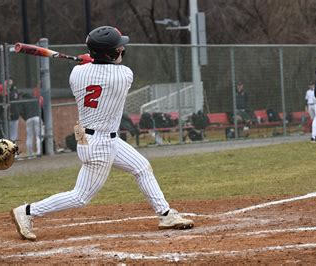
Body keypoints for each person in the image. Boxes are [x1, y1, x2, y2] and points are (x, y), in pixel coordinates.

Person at [11, 26, 194, 241]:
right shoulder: (124, 75)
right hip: (100, 145)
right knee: (80, 197)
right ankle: (27, 211)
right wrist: (93, 60)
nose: (122, 50)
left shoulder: (77, 72)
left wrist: (90, 60)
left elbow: (96, 68)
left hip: (93, 137)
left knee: (141, 167)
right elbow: (109, 69)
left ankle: (165, 214)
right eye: (119, 48)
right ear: (110, 54)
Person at [19, 88, 42, 157]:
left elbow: (21, 112)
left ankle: (30, 154)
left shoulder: (23, 101)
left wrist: (26, 118)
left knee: (29, 136)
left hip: (29, 118)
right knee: (38, 136)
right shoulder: (34, 99)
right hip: (37, 117)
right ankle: (39, 152)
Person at [8, 78, 20, 143]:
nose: (9, 82)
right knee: (8, 134)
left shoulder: (14, 90)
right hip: (7, 115)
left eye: (10, 80)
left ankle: (13, 149)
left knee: (14, 134)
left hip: (14, 115)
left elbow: (15, 100)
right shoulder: (6, 90)